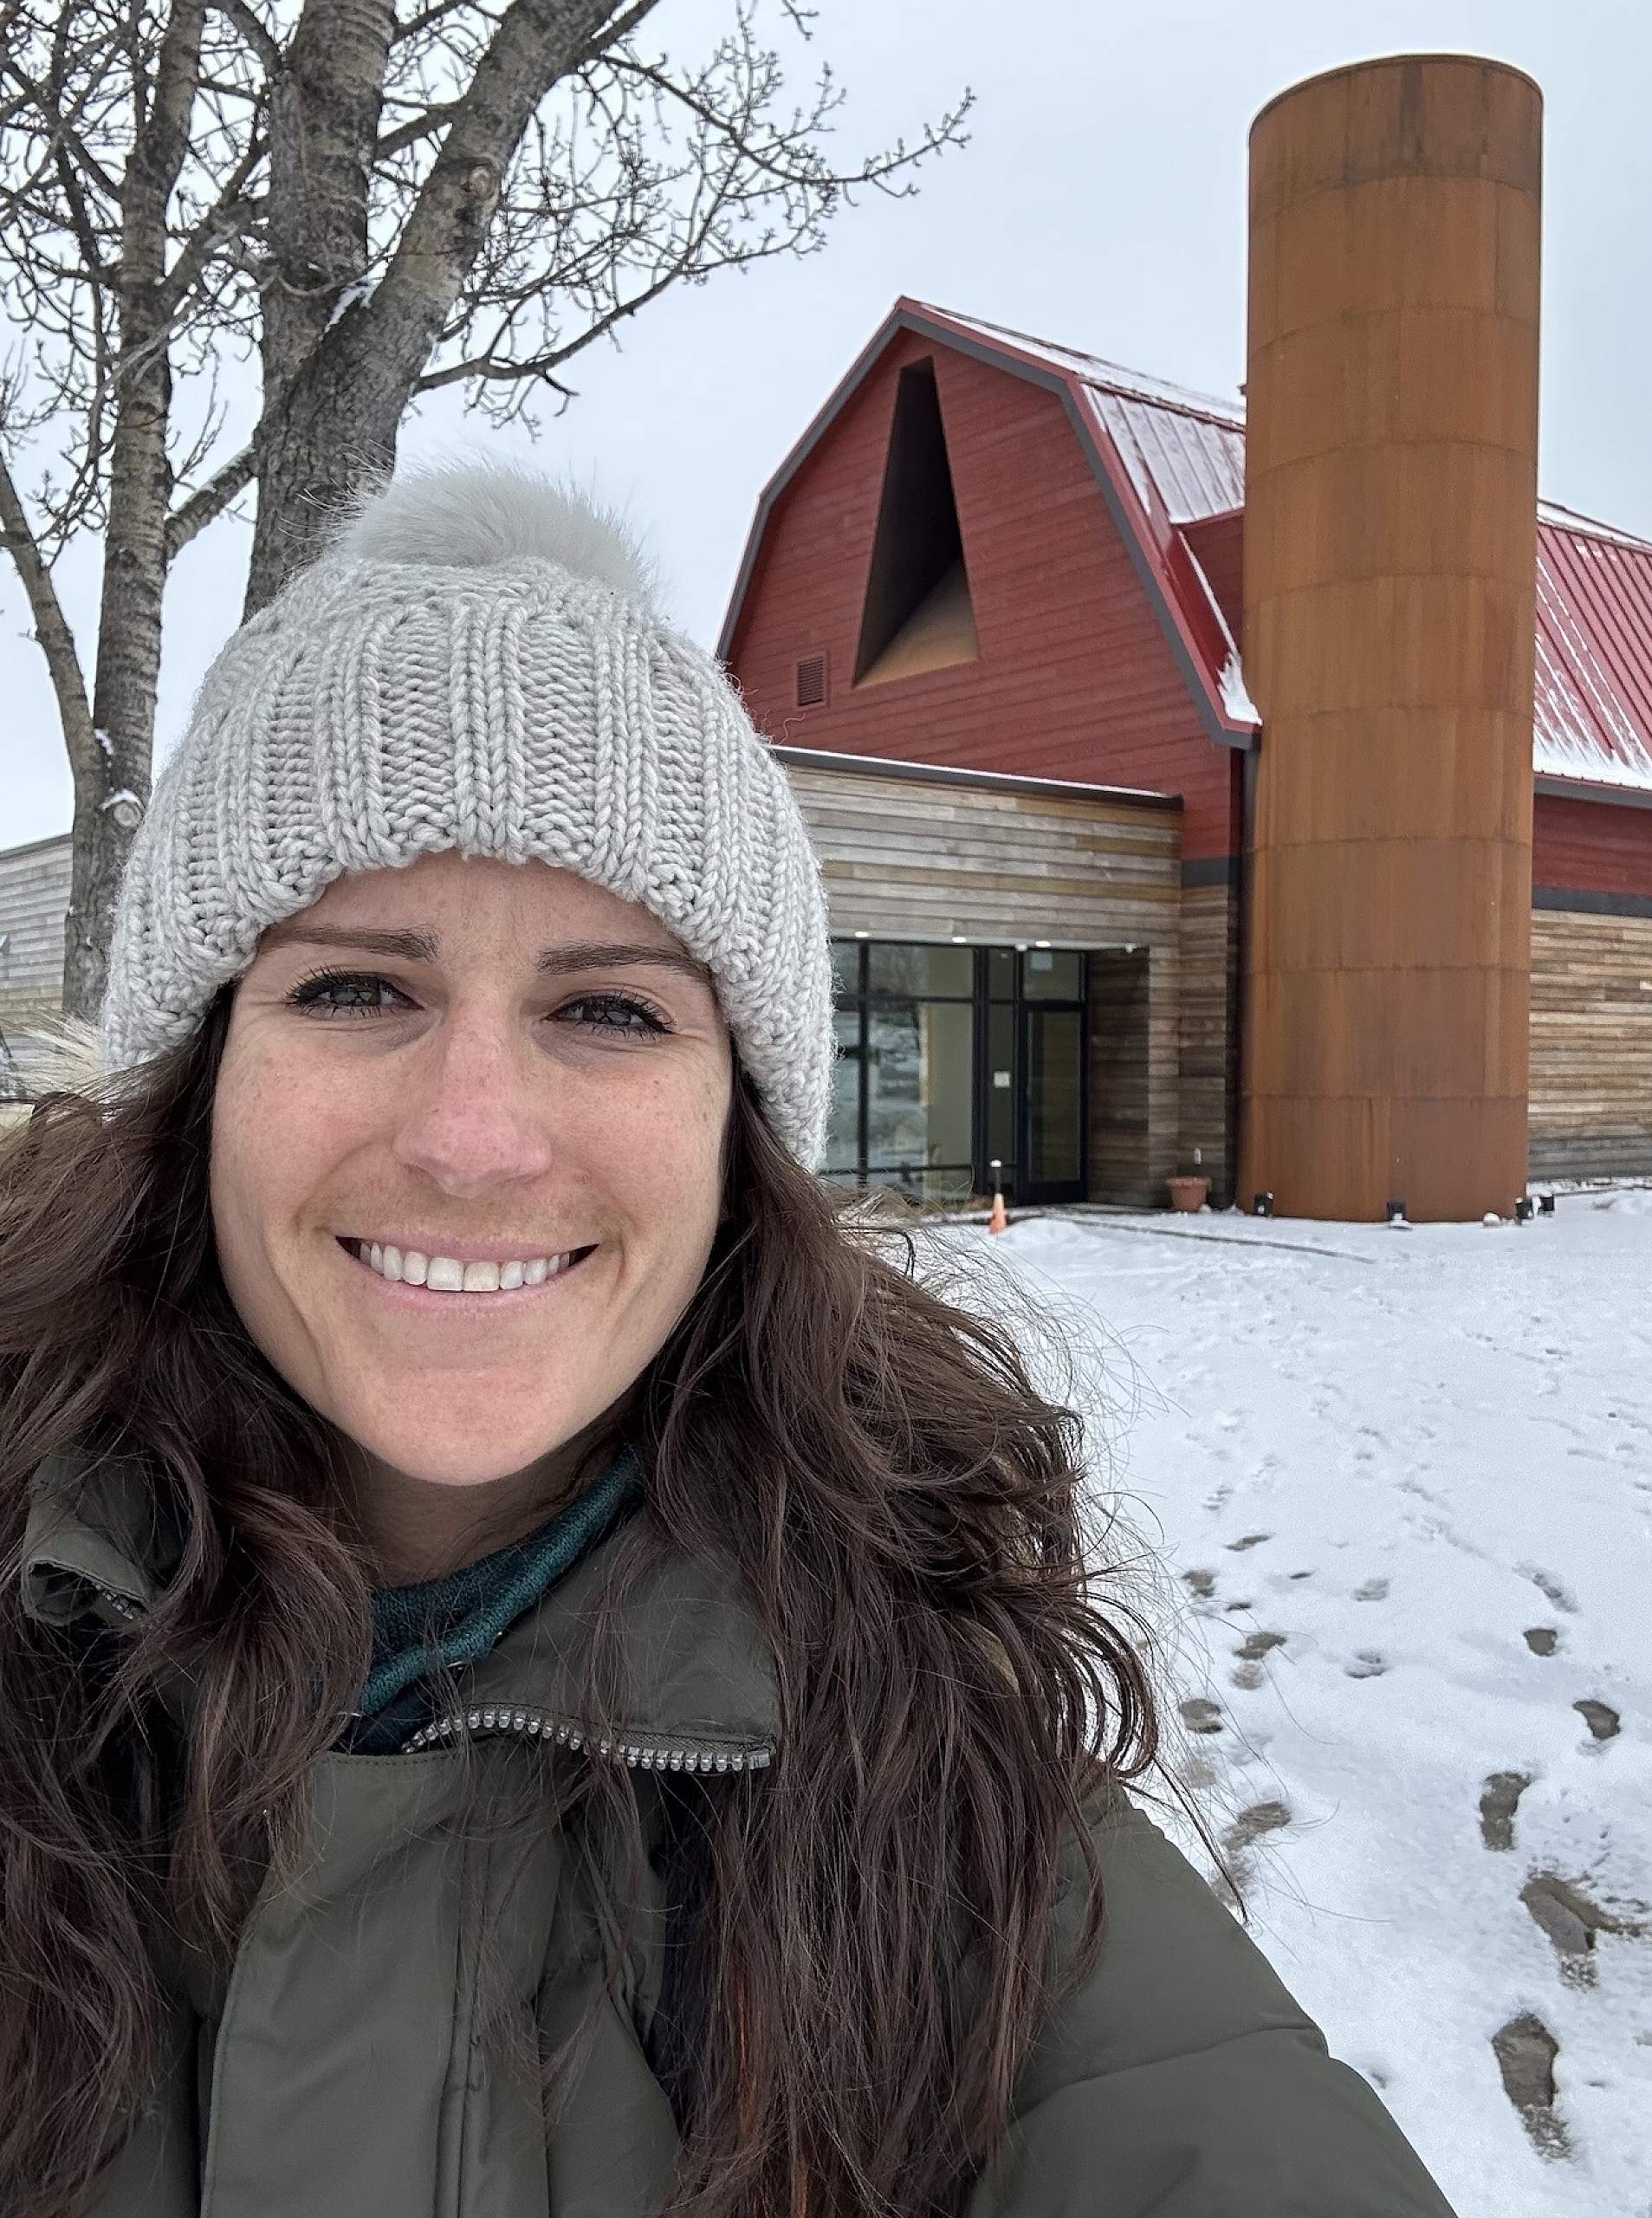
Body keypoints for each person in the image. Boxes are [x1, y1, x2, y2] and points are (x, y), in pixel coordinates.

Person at [0, 463, 1460, 2218]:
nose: (474, 1135)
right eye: (355, 986)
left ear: (736, 1132)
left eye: (608, 1007)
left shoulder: (943, 1811)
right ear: (200, 1081)